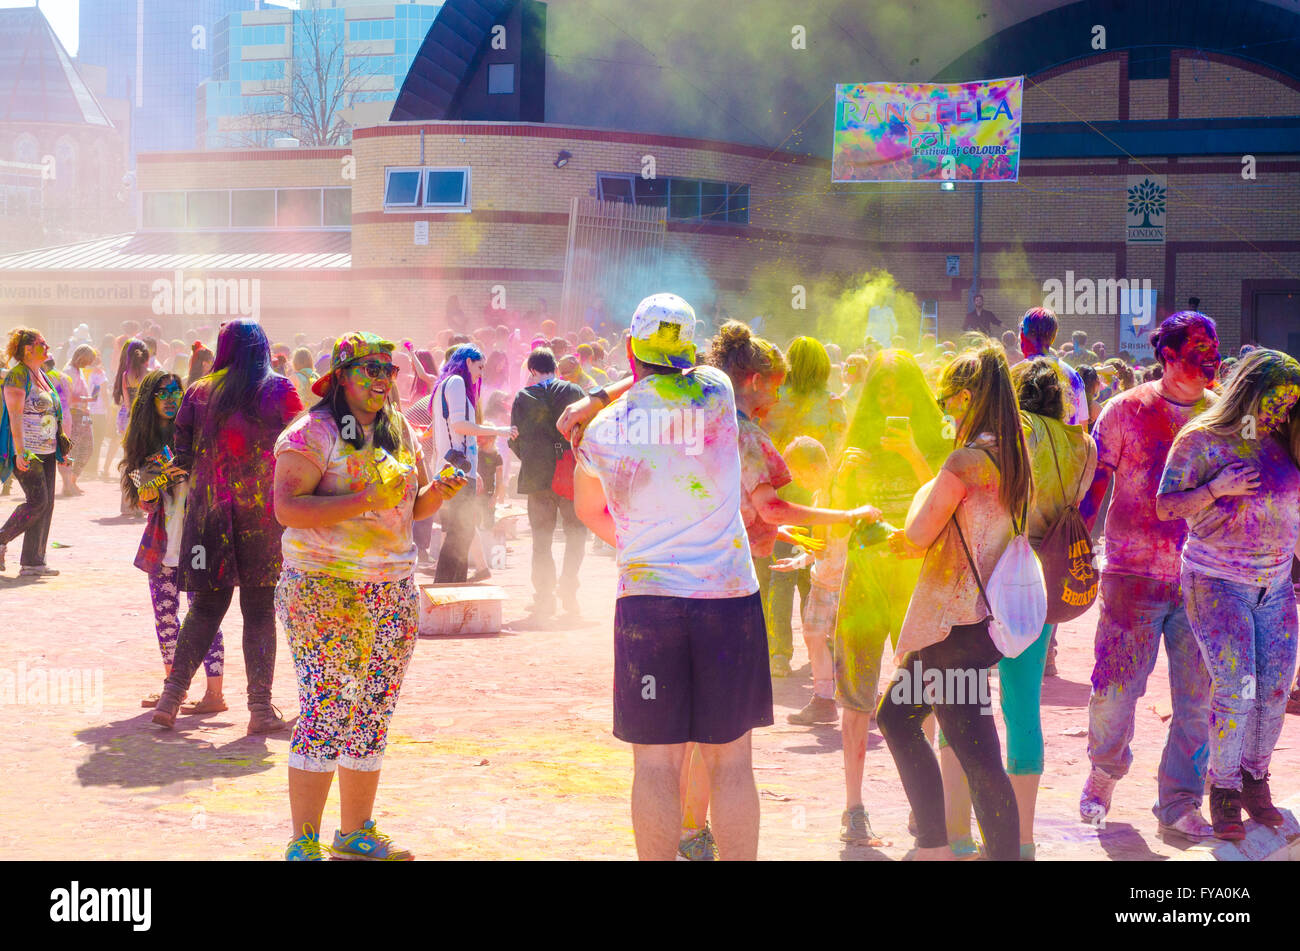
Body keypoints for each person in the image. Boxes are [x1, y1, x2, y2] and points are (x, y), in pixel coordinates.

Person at [567, 293, 773, 861]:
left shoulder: (604, 429)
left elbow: (588, 512)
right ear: (689, 349)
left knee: (655, 762)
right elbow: (673, 370)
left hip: (648, 604)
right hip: (726, 597)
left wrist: (593, 397)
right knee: (731, 760)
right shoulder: (717, 391)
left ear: (632, 348)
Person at [274, 332, 466, 861]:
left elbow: (411, 508)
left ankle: (355, 832)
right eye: (370, 369)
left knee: (373, 709)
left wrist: (439, 493)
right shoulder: (312, 433)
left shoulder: (398, 430)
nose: (383, 380)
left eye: (389, 370)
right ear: (340, 375)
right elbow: (287, 508)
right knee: (327, 708)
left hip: (392, 590)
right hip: (324, 590)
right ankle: (304, 840)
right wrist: (362, 499)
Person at [876, 339, 1031, 861]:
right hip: (972, 625)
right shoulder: (1012, 454)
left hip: (951, 628)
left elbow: (919, 533)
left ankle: (954, 848)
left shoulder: (966, 459)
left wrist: (881, 531)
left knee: (979, 756)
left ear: (966, 398)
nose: (943, 411)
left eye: (945, 401)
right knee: (897, 719)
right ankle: (933, 844)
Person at [943, 357, 1097, 860]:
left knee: (959, 699)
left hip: (985, 580)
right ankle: (1021, 842)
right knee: (1023, 707)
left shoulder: (1013, 433)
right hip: (1039, 589)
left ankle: (958, 835)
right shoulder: (1085, 446)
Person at [1077, 311, 1221, 840]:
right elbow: (1096, 485)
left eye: (1215, 353)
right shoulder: (1124, 411)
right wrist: (1075, 546)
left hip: (1204, 580)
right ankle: (1103, 773)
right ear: (1167, 357)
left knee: (1197, 699)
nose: (1210, 364)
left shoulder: (1221, 416)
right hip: (1129, 574)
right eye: (1197, 355)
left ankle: (1181, 801)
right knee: (1114, 689)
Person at [1156, 348, 1300, 840]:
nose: (1283, 410)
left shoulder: (1286, 438)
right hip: (1217, 582)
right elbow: (1165, 506)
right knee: (1238, 687)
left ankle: (1255, 779)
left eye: (1292, 403)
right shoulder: (1202, 439)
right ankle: (1223, 790)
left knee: (1274, 690)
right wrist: (1215, 490)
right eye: (1278, 400)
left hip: (1277, 587)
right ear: (1252, 391)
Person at [150, 319, 304, 733]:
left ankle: (170, 699)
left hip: (209, 518)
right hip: (262, 519)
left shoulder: (200, 391)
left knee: (204, 608)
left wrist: (147, 484)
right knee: (258, 612)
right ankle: (259, 710)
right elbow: (300, 446)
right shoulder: (281, 389)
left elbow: (179, 456)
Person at [821, 349, 950, 843]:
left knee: (927, 694)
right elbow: (837, 516)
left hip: (916, 576)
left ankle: (925, 807)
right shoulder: (856, 437)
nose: (888, 397)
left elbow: (944, 504)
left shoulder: (936, 439)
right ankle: (854, 808)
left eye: (898, 388)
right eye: (881, 389)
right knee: (855, 693)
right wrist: (842, 480)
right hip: (865, 578)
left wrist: (914, 455)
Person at [122, 370, 225, 713]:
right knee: (165, 617)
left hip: (198, 540)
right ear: (149, 402)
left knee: (203, 613)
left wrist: (181, 470)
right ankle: (173, 688)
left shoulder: (199, 433)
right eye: (162, 393)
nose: (170, 398)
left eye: (175, 391)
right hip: (162, 540)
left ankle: (214, 694)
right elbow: (145, 499)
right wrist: (151, 488)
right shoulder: (144, 446)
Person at [425, 345, 515, 583]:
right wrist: (499, 430)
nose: (481, 373)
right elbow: (459, 426)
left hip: (454, 470)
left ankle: (454, 589)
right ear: (467, 363)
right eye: (479, 366)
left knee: (459, 535)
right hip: (456, 472)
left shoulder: (447, 383)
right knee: (458, 535)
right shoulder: (455, 383)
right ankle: (446, 589)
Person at [509, 347, 588, 618]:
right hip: (570, 476)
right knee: (576, 535)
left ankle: (544, 598)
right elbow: (587, 432)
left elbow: (514, 438)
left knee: (541, 541)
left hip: (537, 477)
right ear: (555, 367)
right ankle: (569, 591)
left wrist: (532, 460)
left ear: (532, 370)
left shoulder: (523, 396)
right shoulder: (574, 392)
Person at [0, 328, 67, 577]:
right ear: (28, 349)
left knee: (47, 505)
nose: (47, 347)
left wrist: (61, 448)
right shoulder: (18, 376)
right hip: (27, 451)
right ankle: (2, 539)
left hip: (48, 450)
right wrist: (20, 452)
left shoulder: (41, 374)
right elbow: (15, 416)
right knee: (38, 501)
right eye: (42, 343)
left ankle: (33, 561)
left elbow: (52, 414)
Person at [1018, 307, 1089, 427]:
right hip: (1065, 445)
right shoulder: (1073, 376)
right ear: (1053, 336)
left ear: (1023, 334)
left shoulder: (1014, 374)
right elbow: (1082, 428)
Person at [62, 345, 98, 495]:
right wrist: (88, 399)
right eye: (87, 360)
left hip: (84, 413)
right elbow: (68, 396)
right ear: (81, 356)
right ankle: (68, 483)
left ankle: (72, 480)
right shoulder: (68, 371)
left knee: (88, 447)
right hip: (74, 413)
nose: (88, 363)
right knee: (72, 448)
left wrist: (87, 402)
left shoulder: (78, 370)